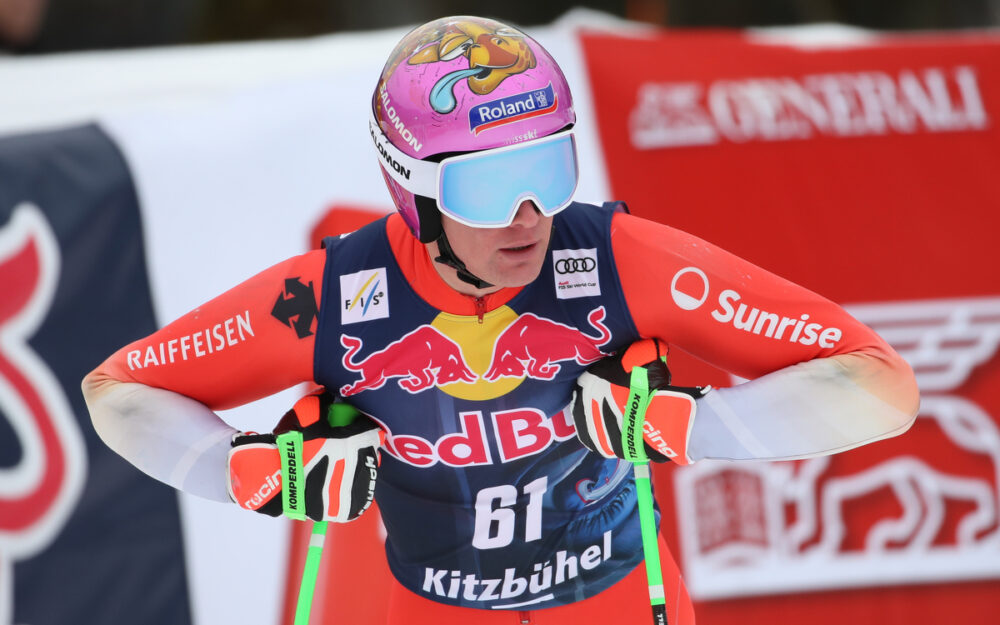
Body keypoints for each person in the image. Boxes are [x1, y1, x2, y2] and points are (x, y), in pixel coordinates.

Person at [82, 15, 920, 625]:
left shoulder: (618, 258)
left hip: (617, 599)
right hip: (429, 606)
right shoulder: (334, 296)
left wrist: (696, 424)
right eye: (487, 188)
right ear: (412, 191)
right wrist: (247, 471)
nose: (529, 215)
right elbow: (119, 390)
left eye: (550, 170)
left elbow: (880, 386)